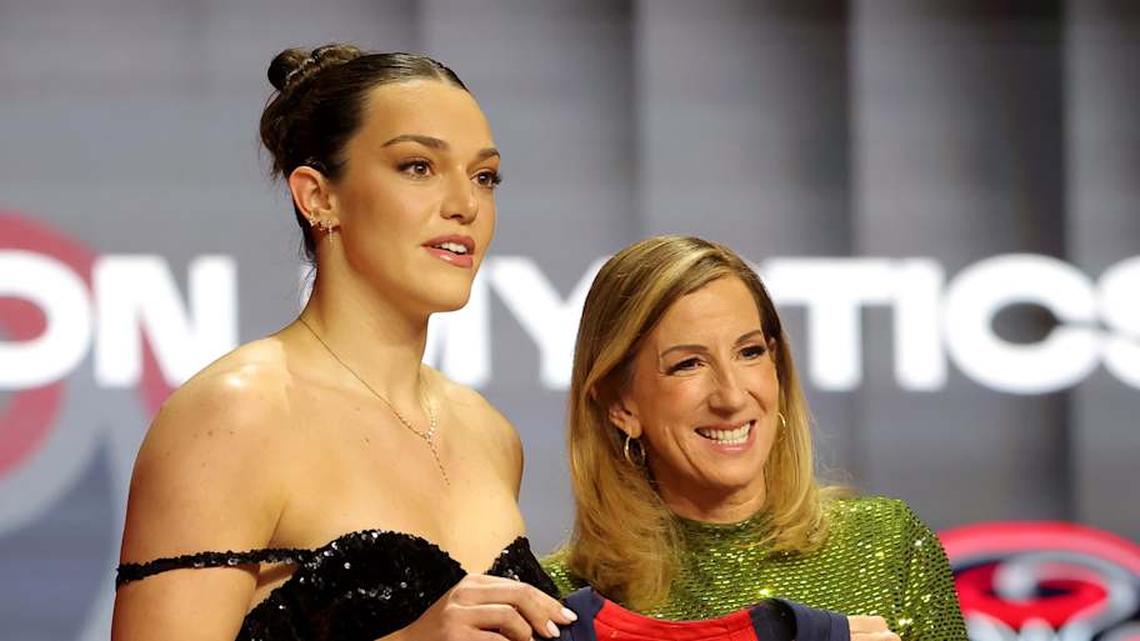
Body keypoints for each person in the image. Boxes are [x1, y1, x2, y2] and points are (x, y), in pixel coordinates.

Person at [112, 44, 575, 641]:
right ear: (318, 197)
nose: (465, 206)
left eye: (484, 177)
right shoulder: (235, 415)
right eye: (418, 167)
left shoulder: (488, 434)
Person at [543, 236, 967, 641]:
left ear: (775, 364)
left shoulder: (887, 544)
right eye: (688, 364)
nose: (731, 397)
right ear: (620, 404)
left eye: (749, 352)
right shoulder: (558, 608)